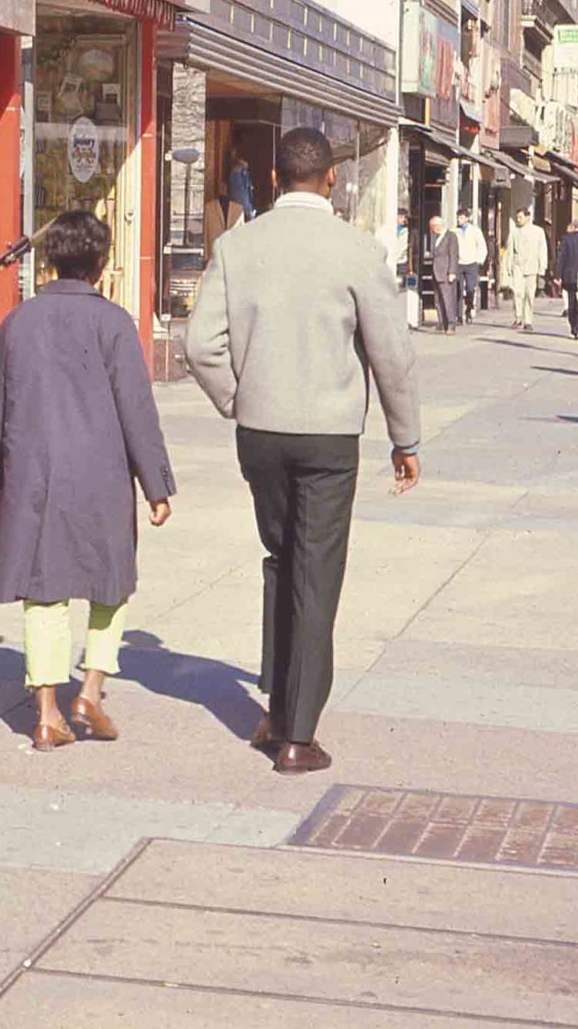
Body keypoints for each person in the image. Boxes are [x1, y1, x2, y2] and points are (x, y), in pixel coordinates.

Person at [185, 127, 420, 775]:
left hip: (260, 433)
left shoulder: (237, 246)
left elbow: (199, 346)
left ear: (271, 175)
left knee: (278, 559)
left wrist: (239, 398)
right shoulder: (357, 251)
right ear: (331, 179)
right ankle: (298, 733)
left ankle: (273, 709)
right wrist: (406, 438)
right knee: (315, 573)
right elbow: (391, 354)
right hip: (328, 436)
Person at [0, 210, 174, 751]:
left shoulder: (18, 322)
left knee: (43, 594)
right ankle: (89, 689)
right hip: (102, 475)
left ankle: (45, 714)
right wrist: (157, 485)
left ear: (50, 260)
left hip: (33, 476)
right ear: (102, 264)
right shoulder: (114, 323)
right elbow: (137, 410)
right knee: (112, 583)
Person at [502, 208, 548, 331]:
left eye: (521, 217)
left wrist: (542, 267)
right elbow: (509, 249)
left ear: (528, 217)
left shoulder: (538, 231)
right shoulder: (514, 232)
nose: (518, 220)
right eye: (517, 217)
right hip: (518, 266)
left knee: (529, 294)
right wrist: (508, 265)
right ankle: (518, 317)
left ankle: (528, 320)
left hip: (532, 266)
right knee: (517, 292)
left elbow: (542, 249)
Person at [428, 215, 461, 334]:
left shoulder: (451, 236)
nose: (431, 230)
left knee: (448, 298)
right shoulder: (435, 238)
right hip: (436, 272)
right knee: (438, 299)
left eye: (432, 227)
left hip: (446, 272)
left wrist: (452, 272)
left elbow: (454, 255)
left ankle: (451, 323)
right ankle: (442, 322)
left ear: (438, 226)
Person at [454, 209, 487, 321]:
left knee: (470, 288)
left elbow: (482, 246)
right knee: (458, 289)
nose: (459, 220)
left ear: (467, 218)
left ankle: (469, 308)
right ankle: (458, 314)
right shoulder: (454, 231)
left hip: (471, 263)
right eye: (458, 217)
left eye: (462, 217)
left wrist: (479, 260)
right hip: (459, 263)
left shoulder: (475, 231)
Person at [226, 154, 257, 222]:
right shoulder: (239, 172)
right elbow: (239, 195)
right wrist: (248, 211)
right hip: (242, 210)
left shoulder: (241, 171)